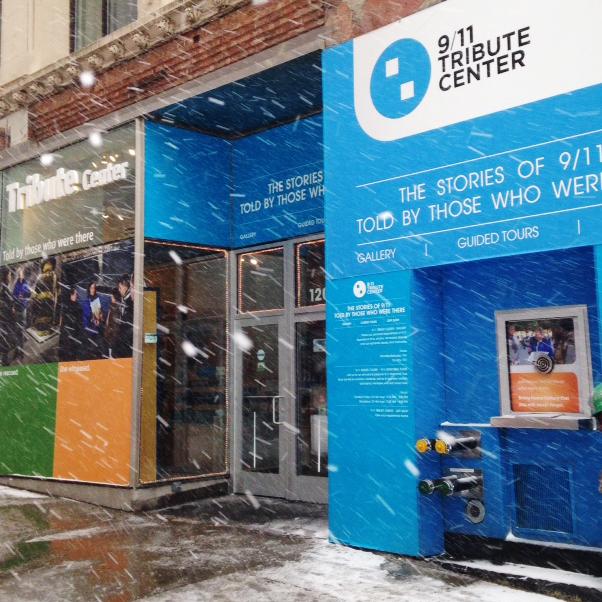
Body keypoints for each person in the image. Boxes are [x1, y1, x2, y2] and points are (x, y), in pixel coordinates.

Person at [58, 287, 85, 362]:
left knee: (67, 351)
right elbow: (78, 322)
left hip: (68, 333)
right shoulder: (77, 307)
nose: (77, 295)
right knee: (70, 352)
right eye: (75, 294)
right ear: (71, 295)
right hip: (70, 333)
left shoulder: (67, 305)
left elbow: (62, 319)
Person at [12, 267, 31, 360]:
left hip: (23, 308)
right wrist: (16, 298)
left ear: (23, 274)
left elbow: (29, 294)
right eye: (19, 273)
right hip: (17, 309)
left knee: (22, 330)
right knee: (17, 331)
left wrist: (23, 296)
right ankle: (17, 350)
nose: (20, 274)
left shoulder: (26, 283)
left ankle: (21, 352)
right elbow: (13, 295)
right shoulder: (16, 284)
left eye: (21, 273)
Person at [113, 274, 133, 358]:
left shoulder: (130, 302)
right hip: (125, 342)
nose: (119, 290)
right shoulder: (124, 300)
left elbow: (128, 323)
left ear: (125, 287)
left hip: (127, 343)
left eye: (120, 288)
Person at [82, 281, 104, 359]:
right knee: (91, 347)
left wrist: (100, 316)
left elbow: (99, 311)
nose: (93, 290)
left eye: (94, 288)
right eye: (91, 288)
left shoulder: (97, 299)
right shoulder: (86, 301)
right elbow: (87, 315)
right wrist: (93, 319)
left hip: (96, 326)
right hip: (89, 327)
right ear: (89, 289)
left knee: (96, 347)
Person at [0, 268, 16, 365]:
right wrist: (11, 307)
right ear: (6, 276)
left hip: (4, 321)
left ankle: (3, 361)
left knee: (3, 342)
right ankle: (4, 362)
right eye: (9, 275)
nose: (10, 277)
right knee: (4, 342)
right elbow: (6, 305)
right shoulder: (4, 288)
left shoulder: (4, 288)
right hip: (4, 321)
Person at [103, 288, 121, 358]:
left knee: (111, 355)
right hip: (110, 335)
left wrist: (109, 332)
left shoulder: (115, 309)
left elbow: (115, 326)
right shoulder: (112, 306)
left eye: (112, 296)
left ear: (115, 297)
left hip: (111, 337)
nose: (111, 297)